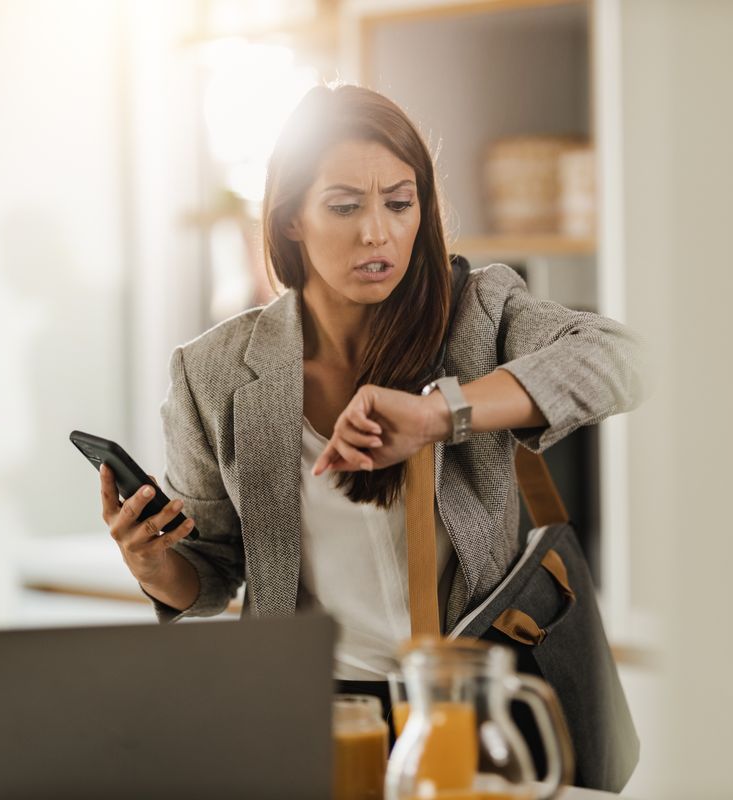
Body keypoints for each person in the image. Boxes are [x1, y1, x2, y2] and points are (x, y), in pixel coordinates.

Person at [97, 83, 643, 697]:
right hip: (311, 706)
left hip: (469, 699)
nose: (377, 233)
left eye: (399, 202)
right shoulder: (212, 372)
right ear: (291, 220)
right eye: (345, 206)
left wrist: (443, 413)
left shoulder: (477, 313)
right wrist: (151, 564)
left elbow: (622, 358)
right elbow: (213, 575)